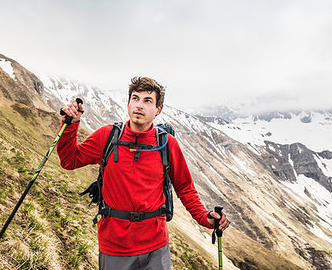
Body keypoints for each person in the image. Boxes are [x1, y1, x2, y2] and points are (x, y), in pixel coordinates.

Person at [57, 77, 230, 270]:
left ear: (158, 109)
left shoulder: (167, 144)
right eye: (135, 98)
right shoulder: (107, 136)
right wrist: (71, 126)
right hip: (115, 246)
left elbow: (185, 188)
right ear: (128, 103)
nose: (139, 105)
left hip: (156, 246)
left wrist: (204, 218)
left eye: (147, 100)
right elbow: (70, 160)